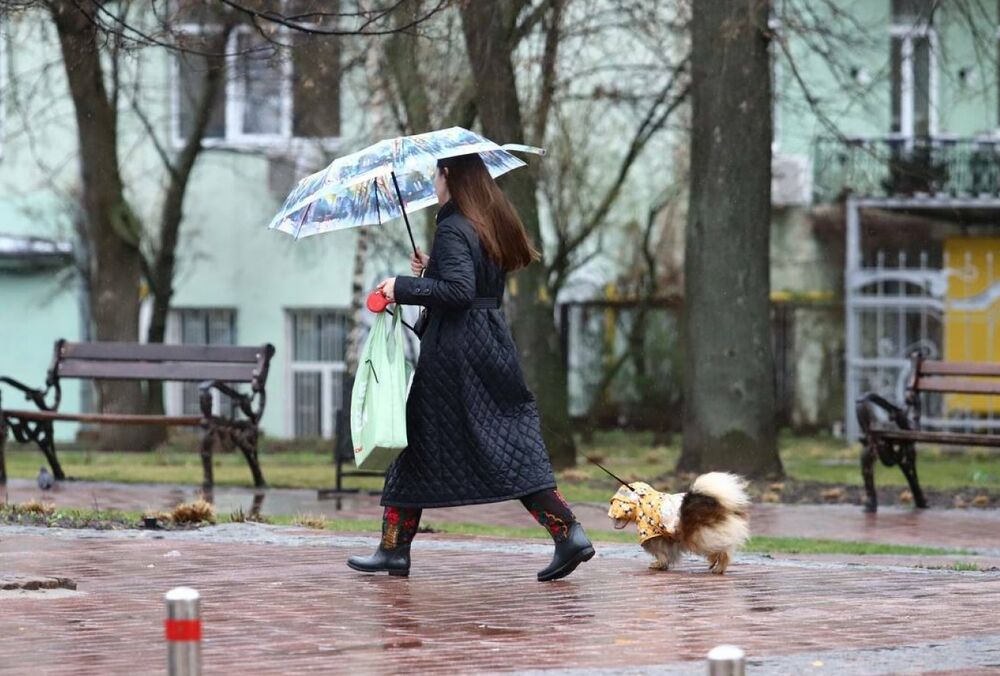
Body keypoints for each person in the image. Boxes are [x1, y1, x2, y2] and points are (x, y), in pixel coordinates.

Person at [346, 153, 595, 582]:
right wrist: (430, 272)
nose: (433, 183)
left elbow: (458, 292)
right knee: (497, 442)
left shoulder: (452, 226)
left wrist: (399, 287)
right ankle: (394, 548)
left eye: (436, 174)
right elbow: (469, 284)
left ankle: (394, 549)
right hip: (489, 343)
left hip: (455, 355)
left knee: (429, 443)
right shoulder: (484, 223)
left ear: (450, 176)